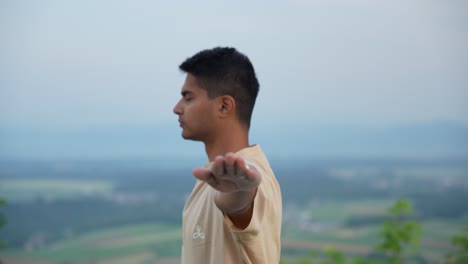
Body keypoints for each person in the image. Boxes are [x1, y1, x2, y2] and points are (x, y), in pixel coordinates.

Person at [173, 47, 282, 264]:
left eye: (188, 98)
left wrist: (241, 193)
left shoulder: (248, 176)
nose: (177, 108)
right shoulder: (213, 178)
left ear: (224, 106)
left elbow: (239, 202)